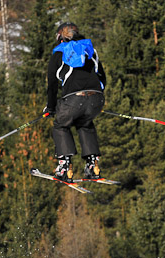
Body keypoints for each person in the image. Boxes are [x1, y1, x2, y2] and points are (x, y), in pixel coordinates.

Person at [44, 22, 107, 182]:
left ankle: (65, 166)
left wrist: (50, 108)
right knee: (85, 124)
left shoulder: (58, 54)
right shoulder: (90, 51)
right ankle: (93, 166)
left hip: (74, 98)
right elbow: (102, 77)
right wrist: (93, 101)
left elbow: (52, 85)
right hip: (97, 98)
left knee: (61, 125)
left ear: (60, 38)